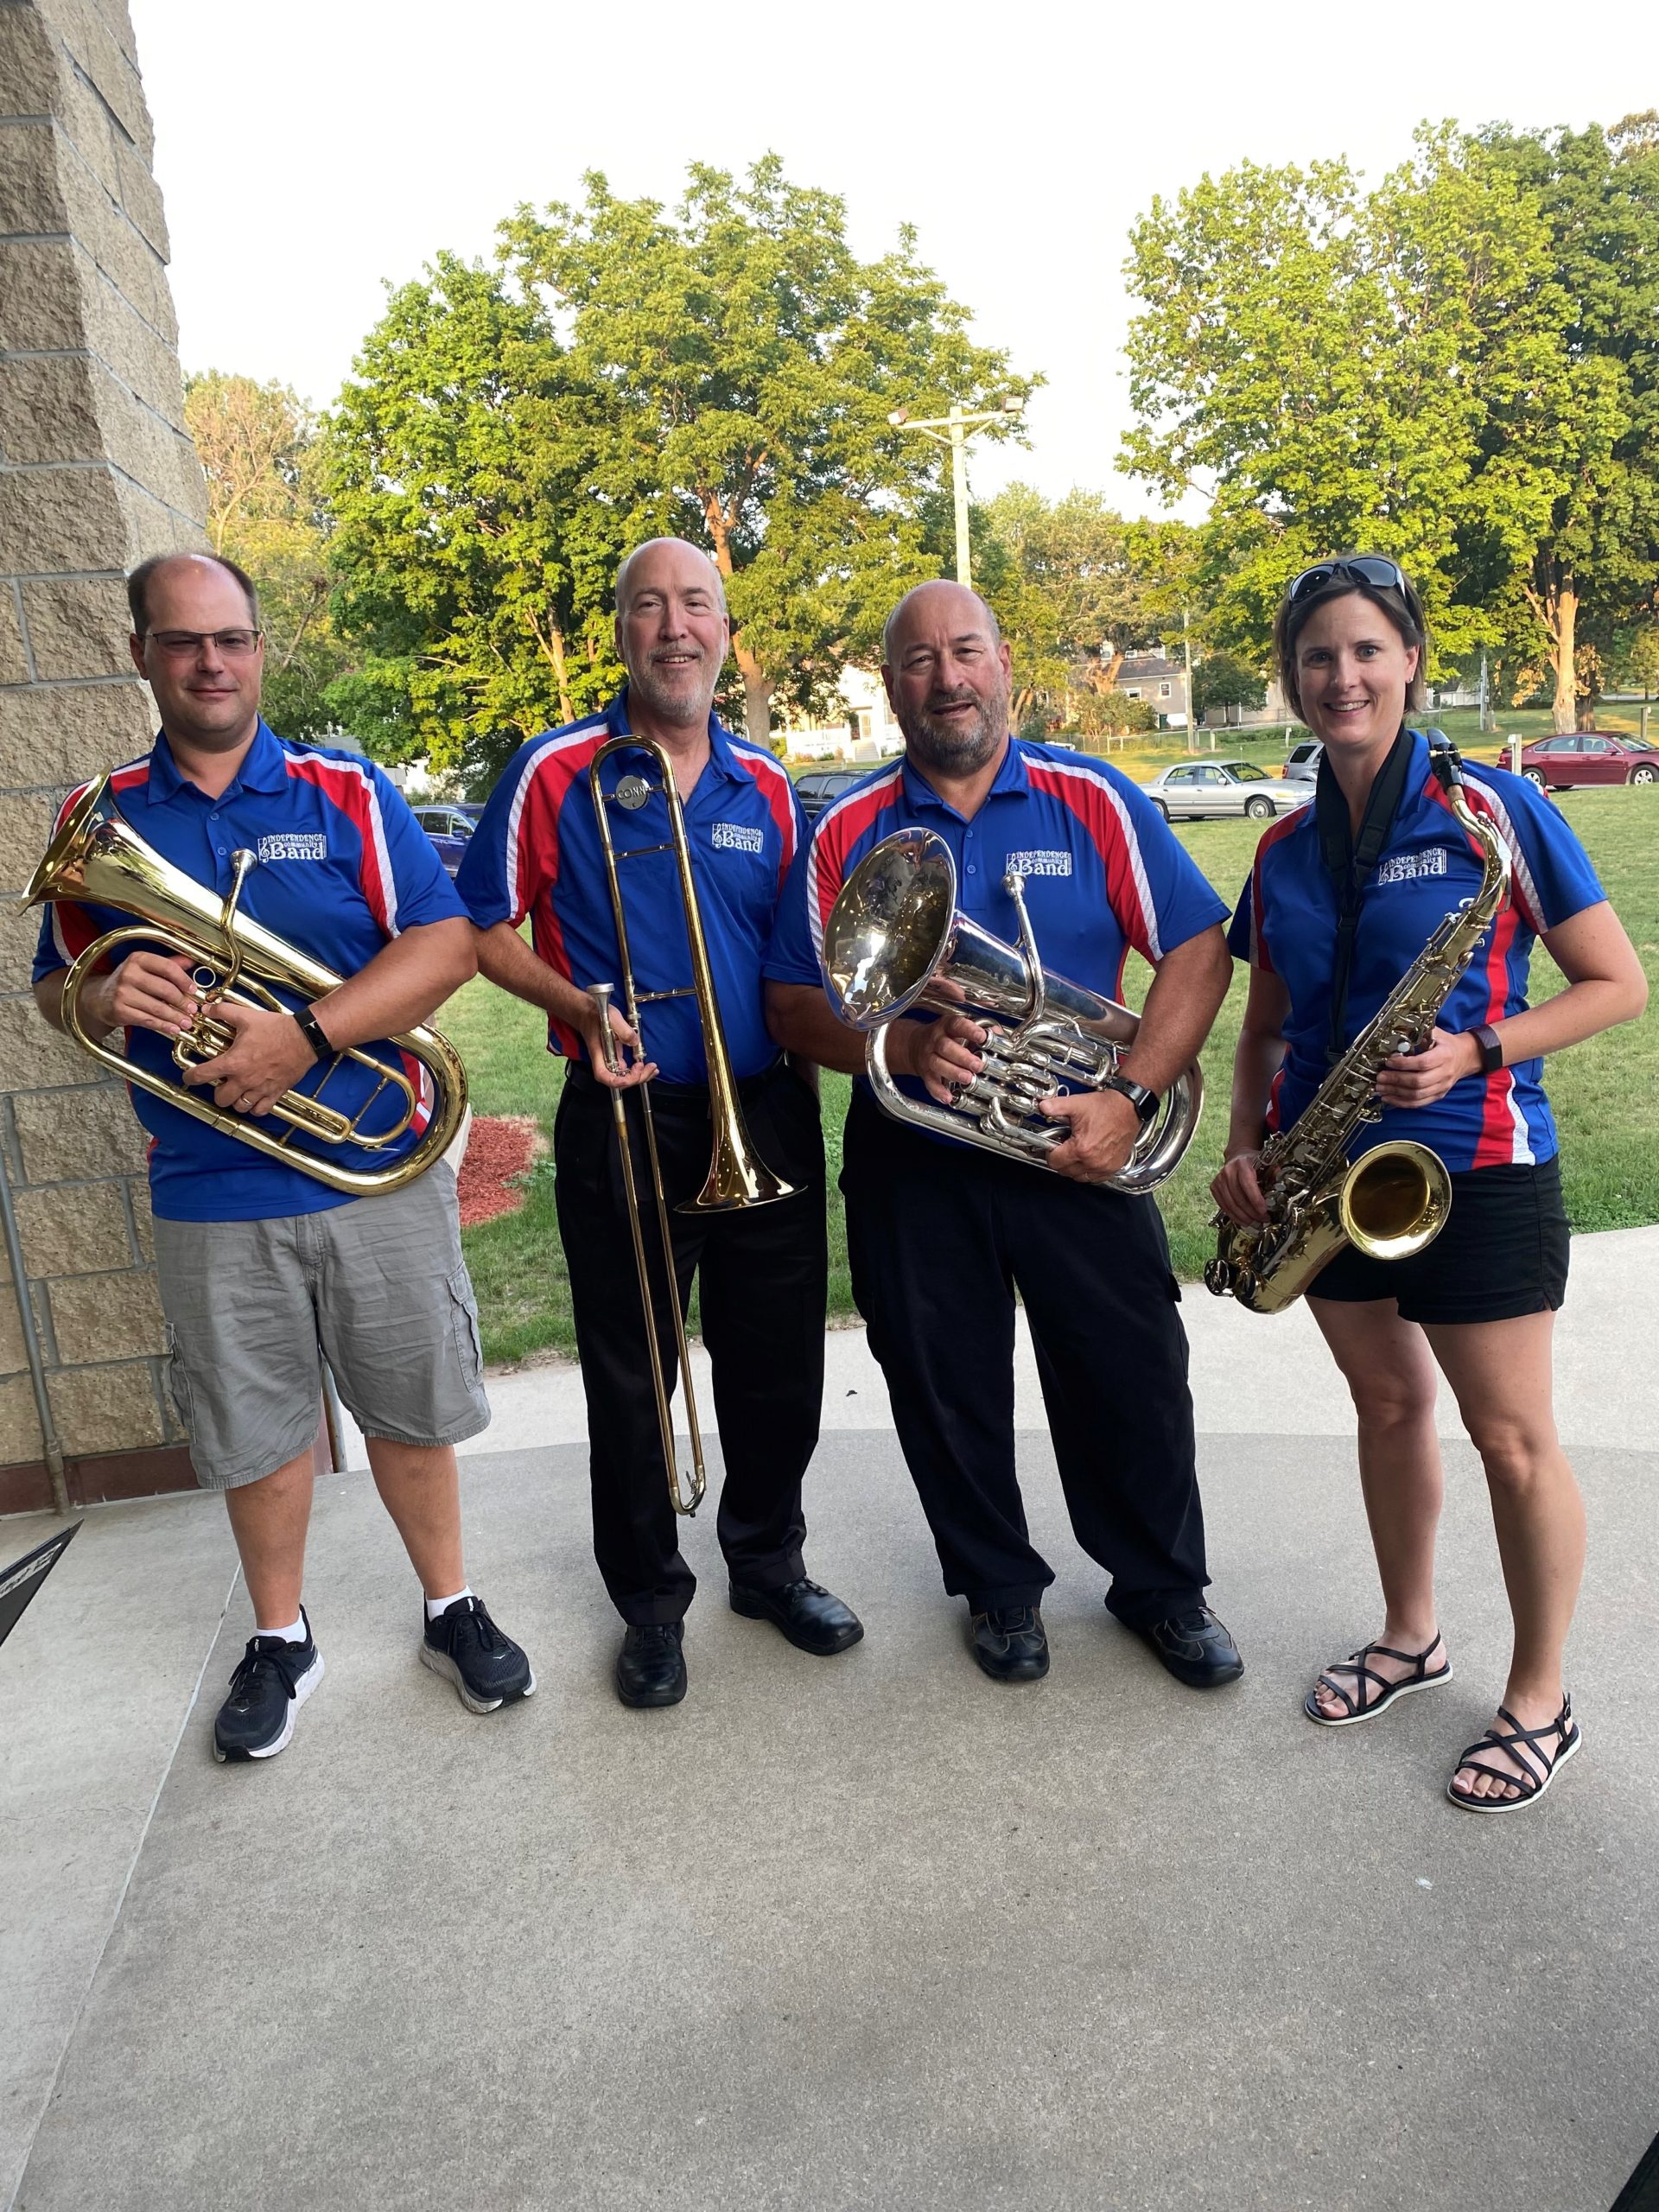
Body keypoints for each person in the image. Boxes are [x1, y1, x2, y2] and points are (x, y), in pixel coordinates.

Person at [31, 551, 534, 1763]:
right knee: (254, 1430)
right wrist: (105, 1003)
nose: (212, 661)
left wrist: (301, 1039)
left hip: (377, 1167)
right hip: (209, 1185)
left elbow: (449, 943)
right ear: (144, 651)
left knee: (412, 1409)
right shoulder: (98, 818)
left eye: (232, 639)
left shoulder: (346, 792)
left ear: (260, 651)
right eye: (185, 640)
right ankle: (278, 1635)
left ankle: (449, 1608)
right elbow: (60, 992)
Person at [1211, 555, 1647, 1811]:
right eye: (1316, 657)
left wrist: (1478, 1047)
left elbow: (1618, 983)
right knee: (1389, 1411)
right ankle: (1412, 1635)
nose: (1340, 676)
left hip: (1478, 1163)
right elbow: (1263, 1024)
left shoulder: (1500, 811)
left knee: (1512, 1440)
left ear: (1409, 659)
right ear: (1293, 681)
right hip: (1328, 1177)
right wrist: (1249, 1146)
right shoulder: (1284, 847)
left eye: (1364, 651)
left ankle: (1542, 1698)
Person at [765, 579, 1243, 1689]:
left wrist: (1131, 1094)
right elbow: (793, 1002)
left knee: (1130, 1370)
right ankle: (1000, 1590)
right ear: (893, 687)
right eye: (921, 661)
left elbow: (1199, 948)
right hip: (916, 1149)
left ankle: (1164, 1590)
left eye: (965, 650)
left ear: (1004, 660)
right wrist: (899, 1043)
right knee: (940, 1379)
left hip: (1077, 1129)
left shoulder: (1094, 796)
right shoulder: (845, 826)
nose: (948, 677)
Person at [456, 537, 861, 1708]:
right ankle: (649, 1603)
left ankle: (769, 1564)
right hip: (624, 1115)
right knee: (632, 1376)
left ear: (726, 634)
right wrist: (572, 1002)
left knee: (778, 1363)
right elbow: (482, 928)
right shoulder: (556, 771)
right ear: (621, 632)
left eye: (696, 605)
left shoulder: (771, 787)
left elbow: (801, 963)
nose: (675, 627)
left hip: (765, 1111)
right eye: (649, 607)